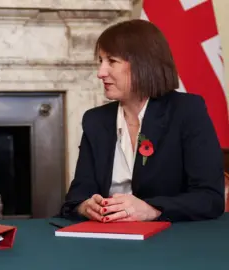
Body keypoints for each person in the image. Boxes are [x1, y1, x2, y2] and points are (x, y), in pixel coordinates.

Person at [60, 19, 225, 223]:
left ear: (142, 64)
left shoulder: (187, 111)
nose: (100, 73)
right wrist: (85, 206)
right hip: (107, 238)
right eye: (100, 61)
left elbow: (210, 198)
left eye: (111, 61)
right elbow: (76, 197)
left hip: (170, 240)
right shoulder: (95, 120)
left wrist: (151, 210)